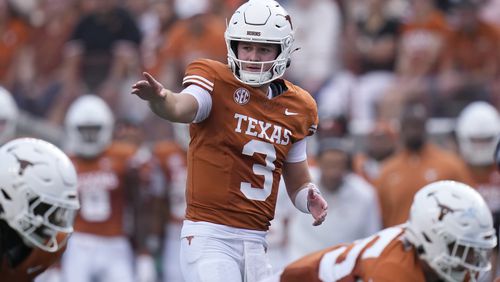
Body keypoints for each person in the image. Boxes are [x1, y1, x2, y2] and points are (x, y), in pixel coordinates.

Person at [131, 0, 328, 281]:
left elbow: (296, 180)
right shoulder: (214, 79)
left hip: (258, 241)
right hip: (211, 235)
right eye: (246, 46)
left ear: (282, 50)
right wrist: (161, 99)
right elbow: (183, 107)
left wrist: (309, 196)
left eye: (263, 49)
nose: (253, 56)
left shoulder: (300, 106)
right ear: (232, 46)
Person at [263, 180, 497, 282]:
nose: (471, 261)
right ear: (430, 239)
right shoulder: (391, 270)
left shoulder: (426, 257)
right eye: (463, 250)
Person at [60, 95, 153, 282]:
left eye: (94, 130)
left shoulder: (125, 157)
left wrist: (144, 253)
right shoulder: (66, 163)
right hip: (78, 243)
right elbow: (59, 216)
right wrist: (55, 263)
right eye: (84, 130)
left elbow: (141, 205)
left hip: (116, 243)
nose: (89, 136)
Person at [287, 137, 381, 262]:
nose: (333, 172)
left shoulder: (365, 194)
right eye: (328, 164)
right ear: (318, 162)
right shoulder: (300, 184)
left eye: (338, 164)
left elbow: (372, 235)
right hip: (301, 260)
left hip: (344, 265)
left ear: (347, 166)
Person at [0, 137, 80, 281]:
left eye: (58, 211)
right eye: (45, 208)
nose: (55, 222)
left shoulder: (47, 247)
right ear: (10, 195)